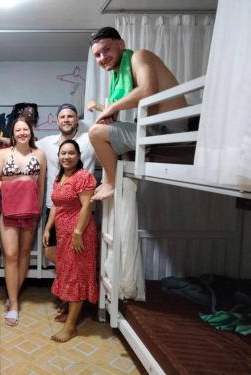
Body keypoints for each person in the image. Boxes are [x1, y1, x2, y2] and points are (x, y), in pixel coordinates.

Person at [87, 27, 188, 200]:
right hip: (153, 130)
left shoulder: (140, 56)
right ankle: (114, 179)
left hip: (169, 130)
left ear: (121, 44)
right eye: (97, 55)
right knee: (100, 136)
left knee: (95, 133)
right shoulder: (118, 76)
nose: (102, 58)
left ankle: (112, 184)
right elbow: (113, 119)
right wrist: (107, 113)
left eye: (106, 50)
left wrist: (112, 108)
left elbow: (147, 90)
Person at [0, 116, 47, 326]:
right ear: (12, 134)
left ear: (31, 132)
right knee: (11, 255)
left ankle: (13, 295)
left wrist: (39, 211)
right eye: (18, 130)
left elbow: (41, 186)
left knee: (23, 254)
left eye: (25, 129)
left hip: (31, 211)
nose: (22, 133)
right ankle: (14, 304)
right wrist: (20, 182)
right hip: (9, 210)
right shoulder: (3, 154)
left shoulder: (39, 154)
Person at [42, 140, 97, 342]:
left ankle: (71, 327)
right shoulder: (60, 177)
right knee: (66, 271)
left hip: (79, 234)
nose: (66, 157)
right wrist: (48, 228)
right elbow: (55, 206)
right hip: (64, 234)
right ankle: (70, 312)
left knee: (76, 276)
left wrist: (77, 233)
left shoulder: (83, 177)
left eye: (71, 153)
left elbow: (86, 207)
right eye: (63, 153)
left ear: (78, 156)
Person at [36, 103, 95, 265]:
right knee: (50, 251)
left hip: (81, 207)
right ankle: (68, 277)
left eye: (70, 116)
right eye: (62, 117)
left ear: (77, 120)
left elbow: (108, 133)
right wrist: (1, 139)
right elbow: (25, 144)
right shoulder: (48, 143)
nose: (66, 120)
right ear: (57, 121)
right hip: (55, 205)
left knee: (79, 249)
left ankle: (72, 284)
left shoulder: (89, 140)